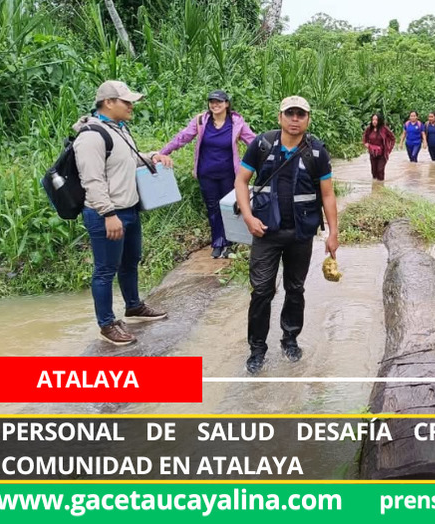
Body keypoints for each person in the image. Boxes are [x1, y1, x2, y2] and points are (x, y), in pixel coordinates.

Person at [234, 96, 339, 374]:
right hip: (265, 231)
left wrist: (333, 233)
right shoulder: (262, 145)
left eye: (300, 114)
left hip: (300, 234)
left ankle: (290, 339)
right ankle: (257, 349)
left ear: (308, 119)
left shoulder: (316, 152)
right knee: (261, 291)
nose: (295, 119)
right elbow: (241, 181)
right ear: (280, 117)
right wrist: (248, 217)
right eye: (290, 113)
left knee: (295, 289)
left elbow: (327, 195)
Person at [73, 80, 174, 346]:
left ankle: (133, 306)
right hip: (107, 214)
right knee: (105, 270)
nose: (131, 106)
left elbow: (127, 158)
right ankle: (107, 324)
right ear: (108, 103)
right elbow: (91, 181)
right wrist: (108, 214)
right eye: (126, 101)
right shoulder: (91, 137)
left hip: (129, 209)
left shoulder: (118, 129)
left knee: (130, 262)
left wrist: (153, 156)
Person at [160, 90, 257, 258]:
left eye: (219, 101)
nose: (215, 105)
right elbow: (182, 137)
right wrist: (162, 152)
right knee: (213, 208)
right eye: (212, 101)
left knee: (230, 207)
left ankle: (230, 242)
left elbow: (253, 141)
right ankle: (218, 242)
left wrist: (271, 153)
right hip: (206, 173)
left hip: (229, 173)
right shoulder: (201, 121)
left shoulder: (236, 122)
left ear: (227, 103)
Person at [363, 113, 395, 181]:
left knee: (380, 170)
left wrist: (389, 148)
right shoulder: (369, 129)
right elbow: (365, 137)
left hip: (383, 154)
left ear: (379, 120)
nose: (374, 121)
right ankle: (375, 187)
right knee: (374, 171)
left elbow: (393, 138)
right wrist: (366, 144)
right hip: (373, 153)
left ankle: (381, 186)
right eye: (373, 120)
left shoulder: (384, 129)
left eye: (376, 120)